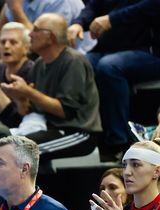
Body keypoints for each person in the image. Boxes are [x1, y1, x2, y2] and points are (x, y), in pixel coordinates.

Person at [0, 14, 101, 161]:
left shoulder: (74, 62)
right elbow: (28, 111)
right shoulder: (40, 64)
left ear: (50, 37)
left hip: (77, 132)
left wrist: (28, 91)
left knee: (17, 152)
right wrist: (19, 98)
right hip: (48, 128)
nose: (30, 34)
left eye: (35, 30)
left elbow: (65, 111)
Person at [68, 0, 160, 159]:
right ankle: (83, 132)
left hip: (150, 50)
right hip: (112, 49)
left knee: (109, 67)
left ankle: (118, 143)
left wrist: (112, 19)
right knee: (80, 63)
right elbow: (93, 6)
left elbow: (151, 6)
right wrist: (78, 23)